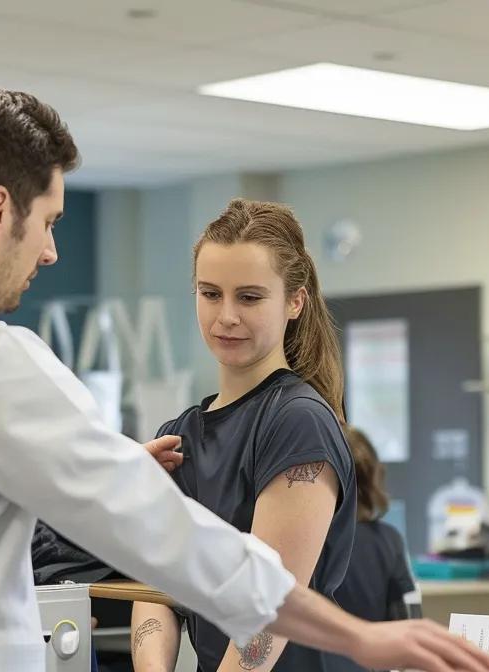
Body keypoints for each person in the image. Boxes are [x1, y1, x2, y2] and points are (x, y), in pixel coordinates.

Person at [0, 87, 489, 672]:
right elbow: (176, 544)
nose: (52, 250)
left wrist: (97, 464)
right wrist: (360, 636)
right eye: (49, 222)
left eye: (249, 298)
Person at [131, 198, 361, 672]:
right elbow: (157, 588)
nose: (226, 316)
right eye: (210, 293)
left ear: (295, 301)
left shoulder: (297, 422)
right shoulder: (177, 438)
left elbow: (270, 610)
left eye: (250, 297)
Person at [332, 427, 416, 626]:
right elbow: (406, 622)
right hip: (375, 655)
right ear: (374, 476)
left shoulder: (306, 543)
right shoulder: (387, 540)